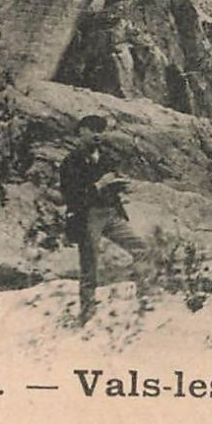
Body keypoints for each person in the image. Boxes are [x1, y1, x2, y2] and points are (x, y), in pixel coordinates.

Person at [60, 114, 149, 323]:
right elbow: (71, 194)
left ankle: (144, 299)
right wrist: (99, 185)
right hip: (87, 216)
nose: (98, 134)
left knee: (142, 249)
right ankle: (87, 314)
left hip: (111, 213)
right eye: (93, 129)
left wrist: (120, 185)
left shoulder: (106, 157)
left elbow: (112, 182)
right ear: (82, 132)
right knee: (89, 267)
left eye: (101, 130)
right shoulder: (70, 161)